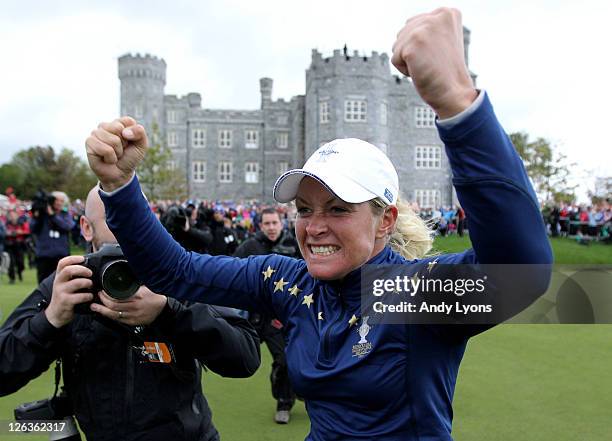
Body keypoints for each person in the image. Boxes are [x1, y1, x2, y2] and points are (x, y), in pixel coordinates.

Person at [85, 8, 552, 440]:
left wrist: (457, 104)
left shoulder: (407, 293)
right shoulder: (287, 281)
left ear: (385, 220)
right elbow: (175, 272)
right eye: (305, 209)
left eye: (339, 208)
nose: (315, 226)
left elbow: (520, 272)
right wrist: (121, 185)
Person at [0, 186, 261, 441]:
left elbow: (245, 355)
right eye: (114, 218)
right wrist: (50, 319)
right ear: (86, 227)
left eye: (137, 218)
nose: (128, 229)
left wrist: (169, 312)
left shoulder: (176, 274)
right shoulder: (68, 283)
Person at [234, 207, 300, 424]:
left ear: (282, 223)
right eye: (267, 224)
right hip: (251, 316)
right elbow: (232, 271)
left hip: (278, 318)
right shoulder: (250, 246)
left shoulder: (294, 244)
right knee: (235, 356)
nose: (271, 227)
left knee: (285, 360)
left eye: (275, 223)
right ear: (260, 225)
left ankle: (284, 401)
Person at [30, 191, 75, 283]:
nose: (59, 203)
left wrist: (53, 216)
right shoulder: (42, 216)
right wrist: (37, 217)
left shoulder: (64, 214)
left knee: (63, 283)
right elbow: (32, 228)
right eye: (56, 200)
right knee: (43, 283)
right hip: (44, 255)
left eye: (61, 201)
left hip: (61, 255)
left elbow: (68, 226)